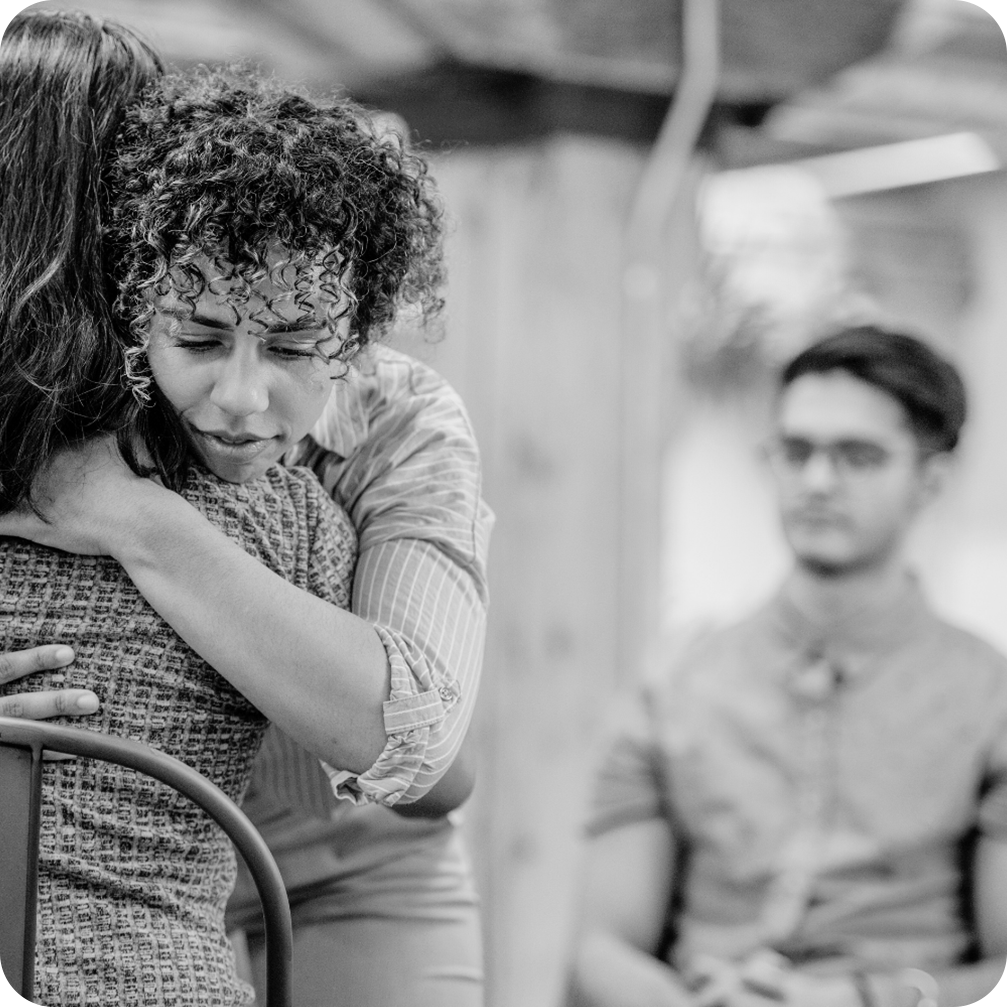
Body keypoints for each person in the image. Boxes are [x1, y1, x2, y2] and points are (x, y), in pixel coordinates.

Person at [0, 10, 488, 1006]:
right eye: (200, 333)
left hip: (345, 847)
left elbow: (424, 758)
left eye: (298, 344)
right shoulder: (76, 385)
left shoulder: (392, 422)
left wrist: (126, 516)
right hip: (127, 872)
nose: (239, 396)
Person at [570, 327, 1007, 1007]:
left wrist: (868, 998)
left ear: (930, 480)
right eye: (795, 451)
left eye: (857, 456)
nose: (817, 481)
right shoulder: (678, 679)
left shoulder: (989, 699)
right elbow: (600, 948)